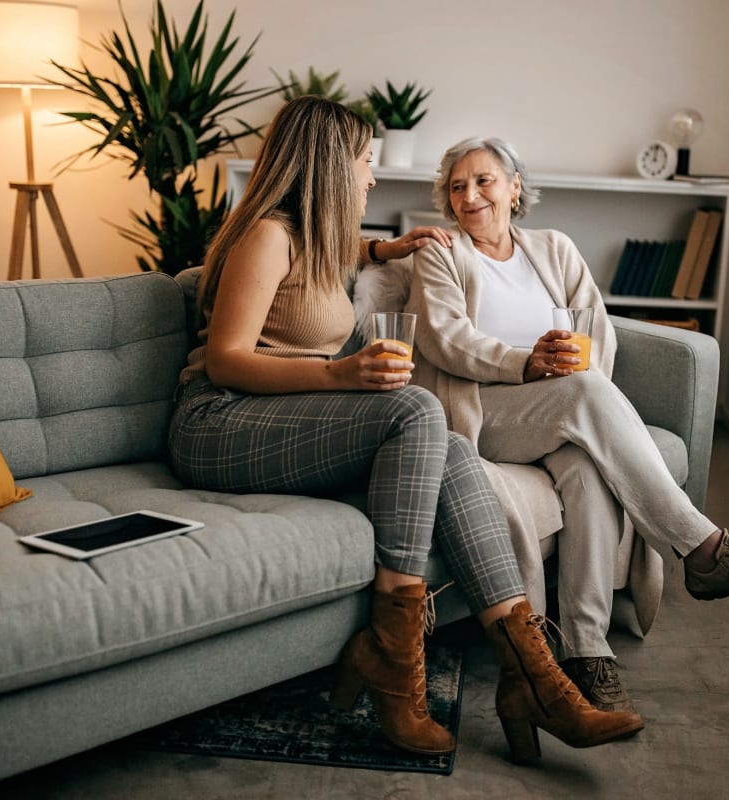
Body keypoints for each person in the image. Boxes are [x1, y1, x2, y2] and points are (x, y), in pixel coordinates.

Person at [165, 98, 644, 763]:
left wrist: (389, 247)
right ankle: (393, 650)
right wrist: (340, 377)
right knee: (419, 407)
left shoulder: (319, 239)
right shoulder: (266, 235)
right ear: (331, 165)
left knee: (445, 446)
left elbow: (344, 255)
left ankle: (532, 677)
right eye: (364, 161)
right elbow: (226, 359)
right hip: (221, 420)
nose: (370, 176)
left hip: (288, 418)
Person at [405, 136, 729, 714]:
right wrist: (527, 363)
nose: (469, 195)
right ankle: (704, 549)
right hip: (486, 411)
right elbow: (445, 338)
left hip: (559, 408)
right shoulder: (443, 253)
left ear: (515, 186)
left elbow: (597, 333)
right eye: (457, 186)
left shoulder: (553, 247)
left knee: (588, 470)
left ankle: (587, 651)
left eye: (484, 180)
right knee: (584, 396)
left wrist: (569, 369)